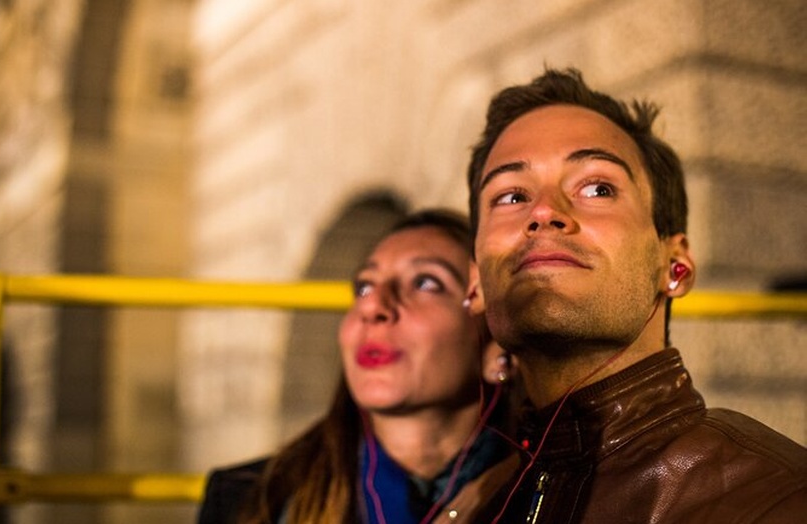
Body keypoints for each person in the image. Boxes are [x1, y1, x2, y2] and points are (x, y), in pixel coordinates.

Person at [462, 67, 807, 523]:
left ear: (674, 265)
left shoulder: (774, 500)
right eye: (509, 196)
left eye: (597, 187)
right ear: (475, 282)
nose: (544, 211)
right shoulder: (481, 504)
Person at [198, 209, 523, 524]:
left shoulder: (546, 497)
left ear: (496, 348)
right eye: (364, 287)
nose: (372, 305)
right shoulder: (248, 498)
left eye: (426, 283)